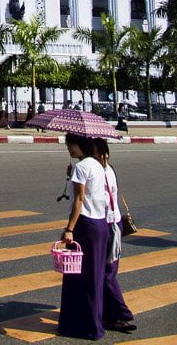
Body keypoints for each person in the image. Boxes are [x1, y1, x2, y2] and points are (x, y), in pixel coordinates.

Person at [57, 133, 109, 341]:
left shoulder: (81, 167)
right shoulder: (96, 165)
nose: (69, 149)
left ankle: (81, 326)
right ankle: (94, 323)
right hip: (100, 223)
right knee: (93, 277)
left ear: (81, 145)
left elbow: (78, 200)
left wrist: (69, 228)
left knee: (78, 278)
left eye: (71, 145)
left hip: (85, 225)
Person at [93, 138, 136, 334]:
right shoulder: (109, 169)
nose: (94, 157)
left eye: (95, 153)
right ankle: (108, 314)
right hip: (113, 222)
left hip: (109, 224)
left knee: (107, 273)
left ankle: (121, 315)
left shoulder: (100, 172)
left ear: (104, 154)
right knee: (106, 272)